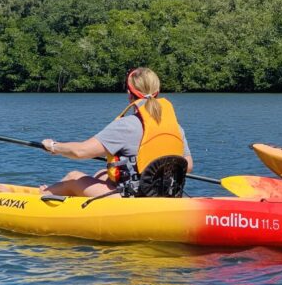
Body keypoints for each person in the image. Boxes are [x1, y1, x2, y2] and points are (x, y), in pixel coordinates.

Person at [39, 67, 193, 198]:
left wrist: (53, 146)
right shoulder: (176, 128)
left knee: (73, 177)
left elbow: (81, 151)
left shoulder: (126, 126)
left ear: (130, 94)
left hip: (133, 200)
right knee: (102, 173)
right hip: (165, 195)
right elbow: (188, 165)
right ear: (157, 92)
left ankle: (42, 196)